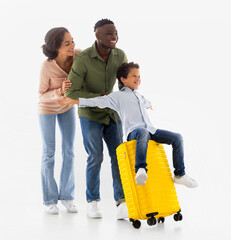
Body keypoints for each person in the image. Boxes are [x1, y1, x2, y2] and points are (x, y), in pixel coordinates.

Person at [59, 62, 198, 190]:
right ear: (123, 79)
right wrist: (73, 101)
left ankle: (180, 174)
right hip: (134, 132)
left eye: (139, 76)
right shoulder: (117, 97)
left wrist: (149, 104)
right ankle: (141, 169)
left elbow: (146, 103)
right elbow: (97, 101)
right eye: (134, 76)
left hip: (151, 131)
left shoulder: (139, 96)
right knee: (142, 132)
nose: (138, 79)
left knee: (177, 138)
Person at [64, 19, 127, 219]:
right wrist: (98, 99)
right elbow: (71, 92)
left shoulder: (120, 55)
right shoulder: (83, 60)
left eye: (115, 32)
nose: (114, 36)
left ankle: (122, 202)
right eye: (109, 33)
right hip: (90, 115)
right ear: (96, 35)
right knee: (95, 157)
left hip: (111, 114)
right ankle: (92, 202)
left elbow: (124, 86)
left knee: (119, 157)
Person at [38, 27, 80, 214]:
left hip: (67, 108)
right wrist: (59, 91)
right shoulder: (46, 66)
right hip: (47, 108)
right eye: (67, 43)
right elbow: (41, 95)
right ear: (56, 47)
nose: (72, 45)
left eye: (72, 41)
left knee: (69, 151)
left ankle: (67, 197)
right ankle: (49, 200)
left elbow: (96, 53)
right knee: (49, 153)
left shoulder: (77, 56)